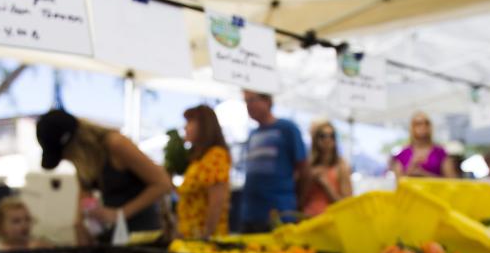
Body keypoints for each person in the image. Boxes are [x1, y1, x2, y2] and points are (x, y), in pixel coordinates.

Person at [36, 109, 172, 243]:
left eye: (64, 154)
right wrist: (80, 225)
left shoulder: (115, 143)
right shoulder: (86, 162)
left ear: (74, 144)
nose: (67, 159)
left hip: (143, 236)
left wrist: (119, 213)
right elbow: (83, 196)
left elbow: (163, 183)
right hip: (114, 237)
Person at [240, 91, 309, 232]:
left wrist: (299, 203)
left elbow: (304, 169)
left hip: (279, 212)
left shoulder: (287, 129)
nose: (248, 106)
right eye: (246, 101)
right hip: (250, 214)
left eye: (252, 100)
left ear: (267, 101)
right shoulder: (253, 134)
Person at [176, 105, 231, 239]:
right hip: (190, 237)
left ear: (204, 126)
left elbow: (217, 201)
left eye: (189, 122)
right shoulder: (199, 159)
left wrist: (206, 235)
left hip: (206, 240)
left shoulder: (216, 155)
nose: (185, 127)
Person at [304, 120, 352, 217]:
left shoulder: (341, 166)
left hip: (330, 222)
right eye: (322, 136)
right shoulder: (309, 166)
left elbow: (347, 204)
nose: (327, 139)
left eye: (332, 136)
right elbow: (301, 198)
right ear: (315, 139)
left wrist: (325, 184)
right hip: (308, 219)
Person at [390, 111, 457, 179]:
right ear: (412, 128)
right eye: (418, 124)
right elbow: (399, 183)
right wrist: (410, 170)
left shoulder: (440, 153)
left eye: (426, 123)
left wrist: (424, 174)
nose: (423, 127)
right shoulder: (402, 155)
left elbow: (451, 181)